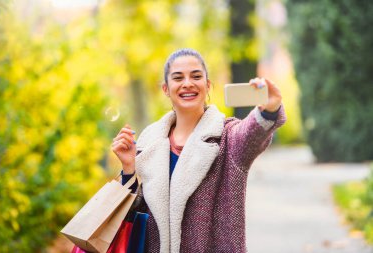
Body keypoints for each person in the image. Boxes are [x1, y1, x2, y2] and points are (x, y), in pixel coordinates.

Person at [111, 48, 286, 253]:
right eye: (178, 78)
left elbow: (251, 134)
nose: (188, 83)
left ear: (207, 85)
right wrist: (129, 167)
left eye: (196, 76)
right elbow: (133, 216)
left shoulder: (227, 137)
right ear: (166, 89)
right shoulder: (149, 142)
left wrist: (270, 109)